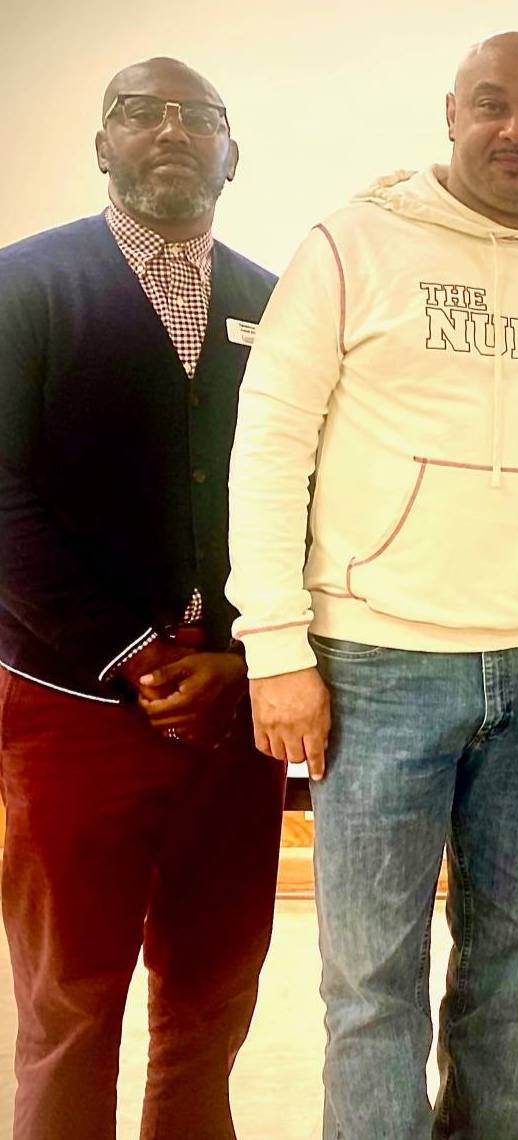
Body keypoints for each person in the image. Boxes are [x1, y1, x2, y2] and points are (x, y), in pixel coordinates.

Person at [224, 32, 518, 1139]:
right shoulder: (351, 247)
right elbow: (270, 444)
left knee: (516, 966)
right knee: (370, 981)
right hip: (374, 664)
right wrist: (275, 646)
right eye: (493, 105)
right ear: (451, 113)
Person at [0, 58, 282, 1140]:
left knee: (214, 992)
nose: (169, 129)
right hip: (74, 706)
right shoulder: (26, 287)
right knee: (70, 998)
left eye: (197, 115)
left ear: (231, 151)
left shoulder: (274, 302)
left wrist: (251, 661)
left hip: (237, 714)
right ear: (102, 143)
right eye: (139, 112)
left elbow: (309, 496)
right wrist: (131, 651)